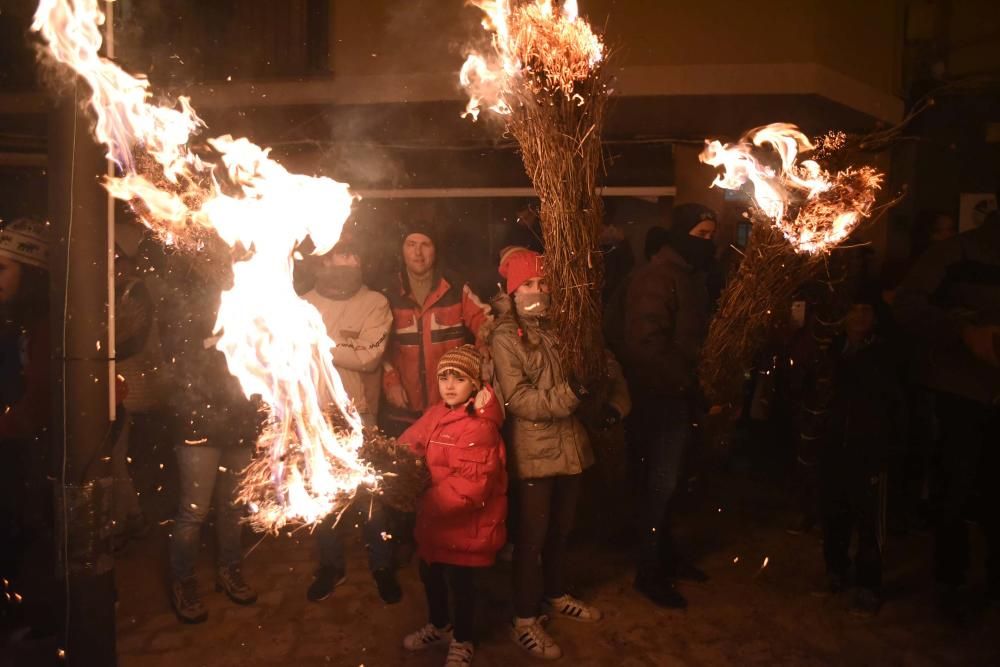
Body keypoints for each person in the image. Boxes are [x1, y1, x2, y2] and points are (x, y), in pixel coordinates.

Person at [488, 246, 631, 660]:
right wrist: (573, 392)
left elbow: (606, 365)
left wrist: (614, 405)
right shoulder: (505, 338)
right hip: (534, 451)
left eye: (542, 282)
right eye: (527, 284)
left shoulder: (565, 327)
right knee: (531, 539)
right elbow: (520, 400)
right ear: (512, 291)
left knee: (562, 531)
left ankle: (553, 594)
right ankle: (524, 620)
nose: (537, 290)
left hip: (570, 446)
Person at [893, 194, 1000, 616]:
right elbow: (908, 305)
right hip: (963, 391)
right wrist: (962, 330)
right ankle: (950, 581)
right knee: (956, 486)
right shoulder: (955, 252)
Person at [621, 203, 718, 609]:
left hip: (682, 396)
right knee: (658, 487)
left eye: (711, 236)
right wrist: (685, 383)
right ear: (680, 235)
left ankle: (668, 557)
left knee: (675, 483)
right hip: (658, 399)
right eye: (701, 235)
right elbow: (646, 344)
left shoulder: (691, 277)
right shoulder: (657, 278)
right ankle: (649, 572)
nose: (707, 243)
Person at [300, 239, 401, 604]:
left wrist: (318, 344)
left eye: (354, 254)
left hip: (360, 414)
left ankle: (381, 565)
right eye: (340, 255)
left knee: (369, 497)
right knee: (325, 496)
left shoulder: (375, 303)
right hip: (316, 416)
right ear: (324, 260)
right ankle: (330, 566)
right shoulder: (303, 304)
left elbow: (369, 359)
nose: (348, 260)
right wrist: (342, 348)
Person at [163, 255, 261, 624]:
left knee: (233, 507)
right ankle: (183, 580)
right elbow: (177, 357)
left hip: (239, 419)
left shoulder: (253, 299)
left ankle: (230, 569)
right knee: (193, 512)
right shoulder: (183, 302)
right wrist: (220, 340)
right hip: (197, 424)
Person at [399, 345, 507, 667]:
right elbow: (409, 443)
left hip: (466, 528)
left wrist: (421, 500)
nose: (449, 385)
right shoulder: (437, 414)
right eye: (444, 377)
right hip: (435, 525)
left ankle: (463, 640)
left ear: (474, 384)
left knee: (462, 587)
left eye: (458, 379)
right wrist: (390, 460)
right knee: (430, 575)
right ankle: (439, 625)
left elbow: (469, 488)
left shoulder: (480, 426)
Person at [814, 288, 904, 615]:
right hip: (836, 443)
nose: (859, 316)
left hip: (870, 447)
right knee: (835, 509)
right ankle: (835, 569)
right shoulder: (833, 348)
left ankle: (869, 582)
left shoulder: (884, 353)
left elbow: (891, 399)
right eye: (854, 310)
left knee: (869, 519)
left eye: (866, 310)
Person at [382, 221, 492, 434]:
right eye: (411, 244)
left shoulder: (456, 288)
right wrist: (390, 382)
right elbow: (379, 348)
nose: (418, 253)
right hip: (403, 410)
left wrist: (481, 355)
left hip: (450, 408)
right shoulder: (388, 293)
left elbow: (486, 323)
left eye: (425, 245)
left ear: (436, 250)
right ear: (401, 250)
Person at [0, 218, 55, 640]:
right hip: (15, 457)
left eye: (4, 268)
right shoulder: (12, 320)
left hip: (33, 461)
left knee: (33, 544)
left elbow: (37, 407)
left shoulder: (46, 328)